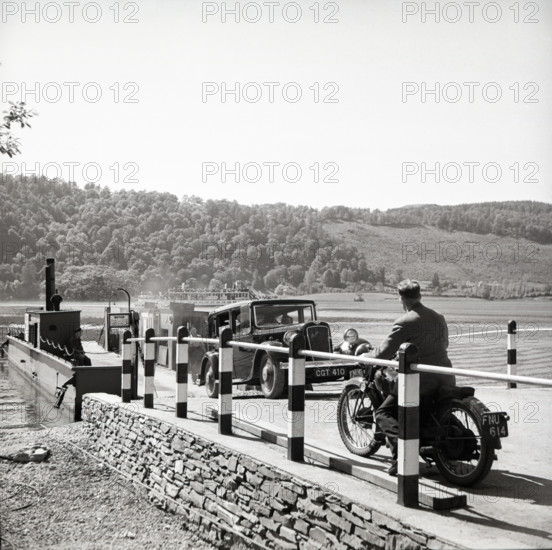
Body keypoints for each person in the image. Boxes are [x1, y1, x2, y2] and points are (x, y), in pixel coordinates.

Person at [366, 280, 455, 476]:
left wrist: (365, 357)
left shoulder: (404, 322)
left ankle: (403, 454)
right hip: (445, 378)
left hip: (420, 383)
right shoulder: (439, 318)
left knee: (382, 413)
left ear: (401, 299)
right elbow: (444, 344)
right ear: (420, 295)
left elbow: (383, 353)